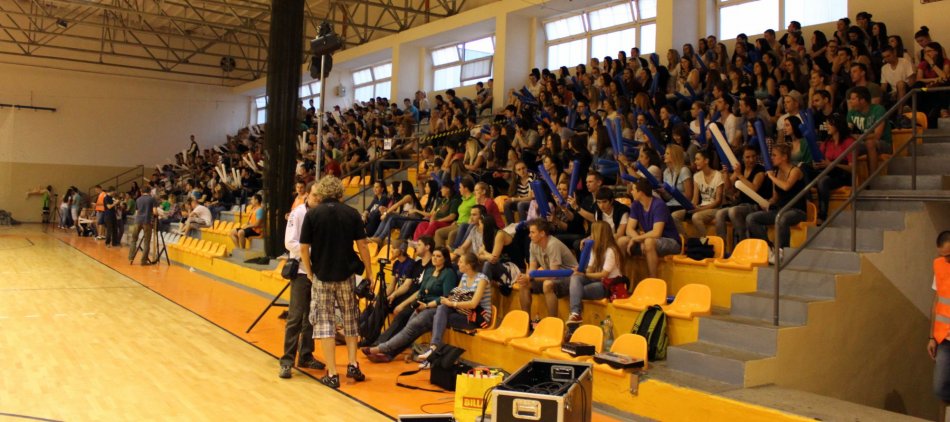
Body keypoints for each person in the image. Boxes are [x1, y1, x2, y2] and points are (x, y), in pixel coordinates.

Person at [298, 176, 372, 388]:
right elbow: (363, 245)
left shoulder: (312, 214)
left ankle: (332, 373)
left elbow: (304, 248)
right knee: (350, 320)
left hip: (322, 276)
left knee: (325, 325)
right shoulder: (352, 213)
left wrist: (310, 272)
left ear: (321, 192)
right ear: (340, 193)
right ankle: (353, 364)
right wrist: (369, 272)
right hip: (346, 275)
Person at [362, 246, 457, 363]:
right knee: (409, 331)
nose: (435, 258)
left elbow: (446, 297)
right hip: (422, 305)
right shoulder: (429, 271)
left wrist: (427, 306)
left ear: (445, 259)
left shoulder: (448, 273)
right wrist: (415, 304)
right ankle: (389, 355)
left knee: (409, 330)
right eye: (434, 255)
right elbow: (421, 291)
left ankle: (380, 348)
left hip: (435, 308)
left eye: (438, 256)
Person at [279, 182, 325, 379]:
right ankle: (286, 361)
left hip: (318, 273)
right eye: (314, 195)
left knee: (311, 317)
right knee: (295, 316)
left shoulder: (322, 214)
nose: (317, 199)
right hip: (300, 271)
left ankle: (305, 355)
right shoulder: (298, 214)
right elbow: (289, 242)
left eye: (320, 196)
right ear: (307, 195)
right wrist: (312, 251)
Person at [418, 252, 493, 369]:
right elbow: (455, 296)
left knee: (439, 318)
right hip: (463, 312)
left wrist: (452, 303)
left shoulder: (482, 279)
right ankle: (433, 349)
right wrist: (445, 300)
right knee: (441, 308)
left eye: (461, 262)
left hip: (478, 317)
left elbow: (473, 304)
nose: (458, 264)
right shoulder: (464, 277)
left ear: (468, 265)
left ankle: (433, 353)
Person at [746, 143, 808, 264]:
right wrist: (767, 203)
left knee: (782, 218)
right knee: (751, 218)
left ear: (784, 157)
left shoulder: (795, 171)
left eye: (774, 155)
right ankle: (769, 248)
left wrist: (771, 177)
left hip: (797, 210)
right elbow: (775, 197)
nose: (771, 158)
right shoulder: (776, 173)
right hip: (781, 209)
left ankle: (781, 251)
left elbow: (786, 186)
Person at [514, 218, 578, 318]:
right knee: (524, 284)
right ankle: (526, 321)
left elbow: (554, 275)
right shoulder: (533, 244)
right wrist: (525, 277)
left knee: (547, 284)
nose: (529, 235)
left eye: (532, 232)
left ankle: (552, 322)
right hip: (554, 276)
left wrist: (530, 277)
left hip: (571, 277)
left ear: (542, 233)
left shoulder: (553, 244)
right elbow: (532, 268)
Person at [619, 179, 681, 279]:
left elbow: (657, 233)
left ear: (641, 192)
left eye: (633, 189)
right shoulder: (636, 204)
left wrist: (636, 239)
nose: (631, 192)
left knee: (649, 242)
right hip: (648, 239)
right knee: (622, 241)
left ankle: (653, 279)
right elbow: (629, 229)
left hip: (671, 241)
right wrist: (639, 240)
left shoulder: (659, 205)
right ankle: (620, 278)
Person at [565, 221, 621, 325]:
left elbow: (604, 274)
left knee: (576, 291)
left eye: (593, 232)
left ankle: (575, 316)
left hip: (608, 285)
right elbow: (590, 269)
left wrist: (584, 274)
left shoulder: (611, 250)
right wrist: (580, 270)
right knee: (575, 278)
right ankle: (575, 314)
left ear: (600, 234)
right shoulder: (594, 248)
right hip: (597, 280)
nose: (590, 235)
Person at [716, 146, 770, 244]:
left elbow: (754, 189)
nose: (751, 160)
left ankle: (743, 242)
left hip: (755, 205)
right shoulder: (741, 168)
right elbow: (728, 189)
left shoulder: (760, 170)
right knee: (720, 214)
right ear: (742, 158)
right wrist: (726, 175)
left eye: (754, 156)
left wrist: (740, 175)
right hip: (741, 204)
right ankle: (721, 244)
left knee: (733, 211)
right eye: (748, 157)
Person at [672, 150, 724, 238]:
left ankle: (706, 242)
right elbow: (695, 199)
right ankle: (686, 240)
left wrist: (700, 209)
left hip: (714, 209)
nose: (695, 162)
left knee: (696, 217)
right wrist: (690, 207)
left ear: (706, 161)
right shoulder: (696, 176)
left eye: (697, 159)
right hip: (701, 207)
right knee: (674, 215)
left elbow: (718, 201)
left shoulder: (718, 175)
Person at [814, 114, 855, 224]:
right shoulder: (827, 142)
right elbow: (821, 159)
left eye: (829, 124)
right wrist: (816, 164)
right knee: (803, 169)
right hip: (827, 171)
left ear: (838, 125)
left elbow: (852, 168)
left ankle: (822, 215)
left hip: (842, 174)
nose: (826, 126)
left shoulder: (849, 142)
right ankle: (807, 207)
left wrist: (832, 165)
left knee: (823, 181)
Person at [927, 230, 950, 422]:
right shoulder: (939, 265)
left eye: (949, 255)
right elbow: (937, 301)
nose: (946, 259)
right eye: (943, 255)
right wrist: (931, 337)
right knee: (940, 387)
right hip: (944, 339)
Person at [845, 86, 891, 175]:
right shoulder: (851, 113)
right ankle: (849, 179)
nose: (850, 102)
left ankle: (873, 178)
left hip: (883, 143)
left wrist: (858, 137)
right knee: (848, 144)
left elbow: (877, 135)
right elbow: (847, 132)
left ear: (862, 100)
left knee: (870, 143)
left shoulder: (878, 110)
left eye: (853, 99)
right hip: (864, 142)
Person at [128, 188, 159, 264]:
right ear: (150, 192)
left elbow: (136, 212)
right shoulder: (152, 199)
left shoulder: (138, 199)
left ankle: (131, 258)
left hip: (137, 221)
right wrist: (158, 214)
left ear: (141, 192)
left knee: (133, 240)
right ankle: (143, 260)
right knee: (146, 242)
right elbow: (155, 212)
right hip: (147, 221)